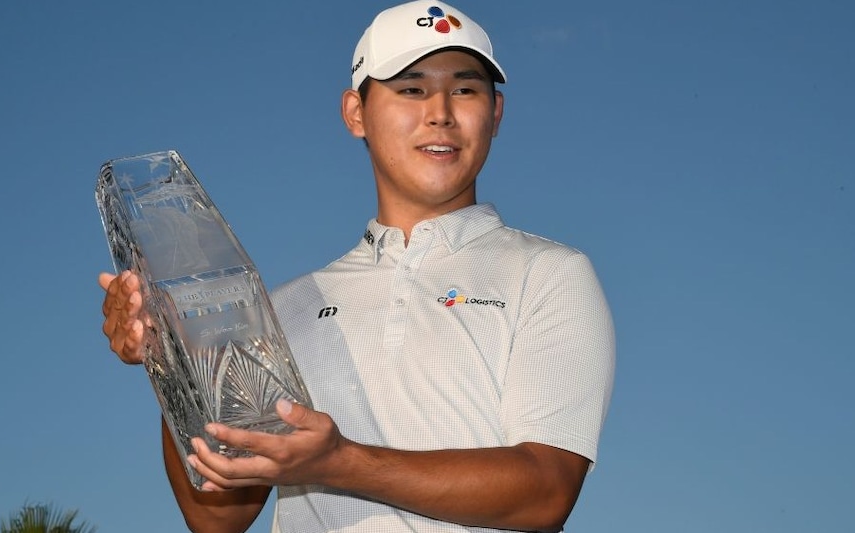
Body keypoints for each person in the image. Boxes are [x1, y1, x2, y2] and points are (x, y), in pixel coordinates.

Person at [99, 1, 615, 532]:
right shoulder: (283, 308)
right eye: (410, 89)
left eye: (465, 88)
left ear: (496, 114)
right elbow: (217, 518)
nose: (440, 111)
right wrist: (172, 360)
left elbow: (545, 491)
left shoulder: (549, 274)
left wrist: (339, 462)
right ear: (355, 113)